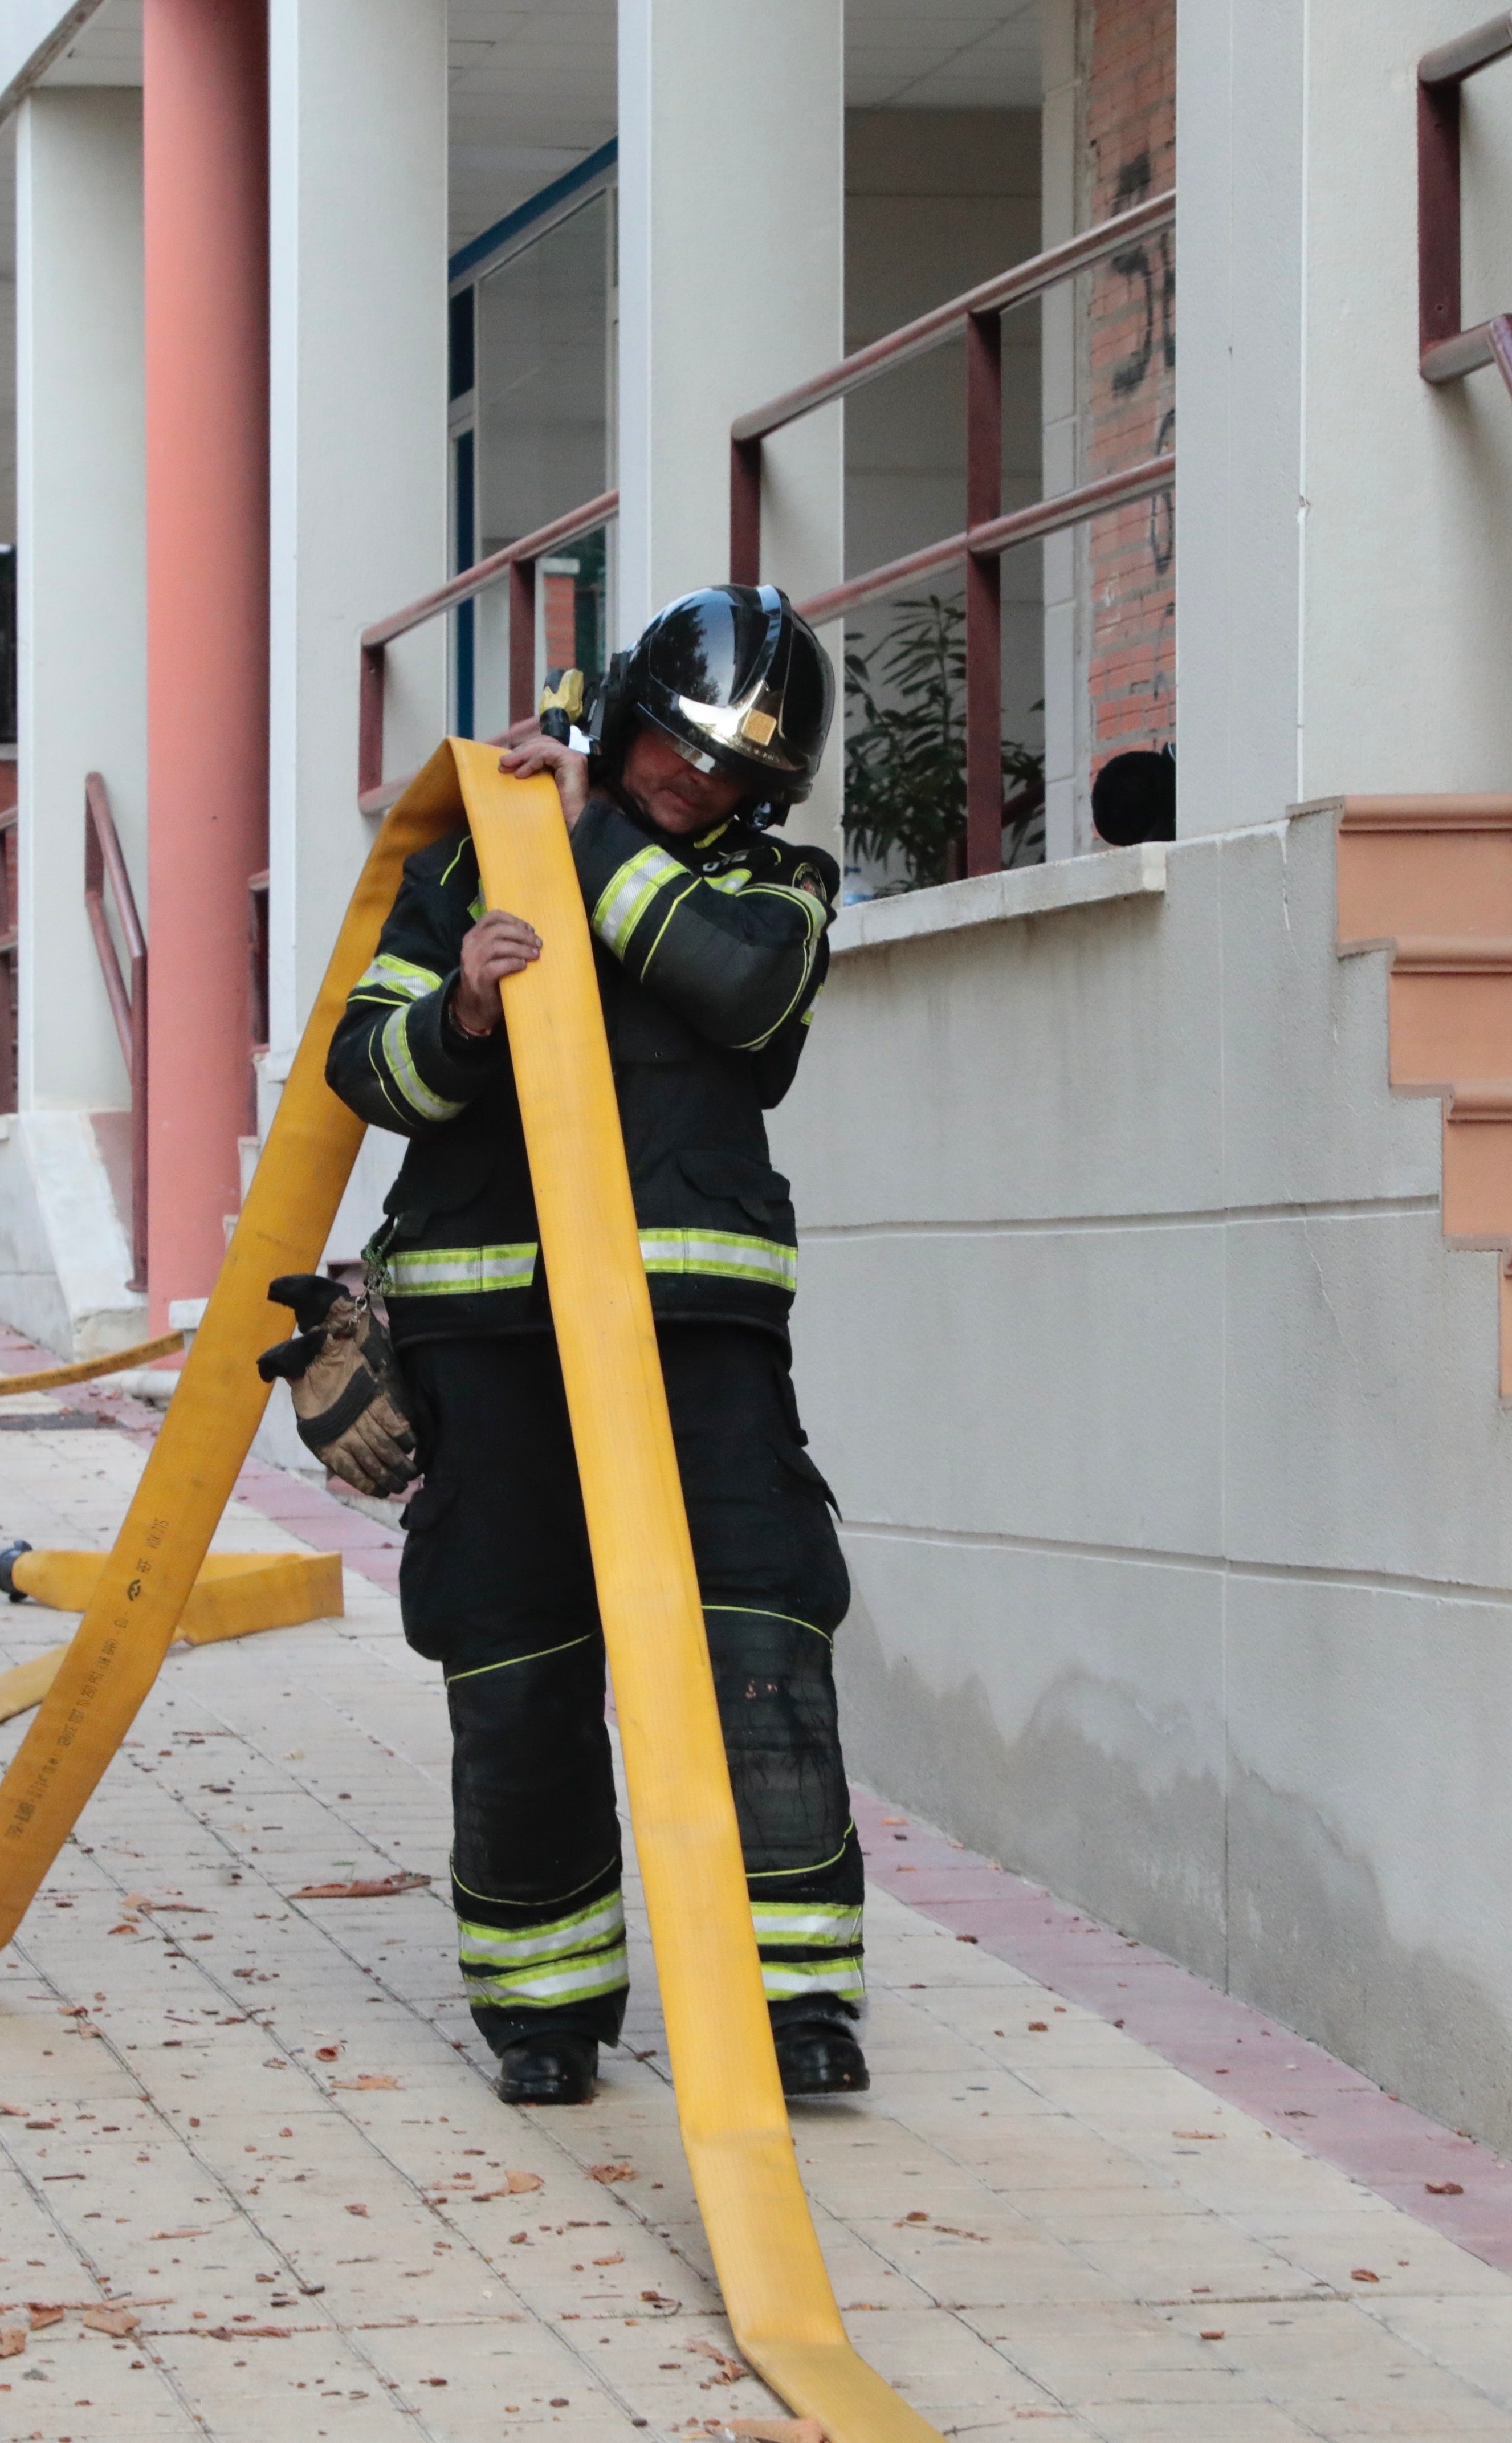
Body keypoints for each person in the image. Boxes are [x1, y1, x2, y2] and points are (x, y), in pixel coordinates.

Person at [325, 584, 863, 2110]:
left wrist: (585, 840)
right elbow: (366, 1061)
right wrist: (469, 1017)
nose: (692, 783)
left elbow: (740, 990)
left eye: (726, 774)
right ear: (626, 716)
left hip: (698, 1333)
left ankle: (797, 1999)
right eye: (672, 753)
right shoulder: (469, 865)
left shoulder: (779, 892)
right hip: (495, 1328)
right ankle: (544, 2008)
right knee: (517, 1658)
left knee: (761, 1642)